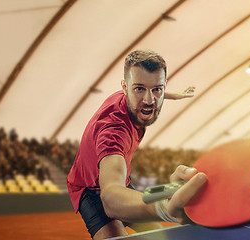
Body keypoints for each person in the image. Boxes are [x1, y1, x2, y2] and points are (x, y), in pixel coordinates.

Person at [67, 49, 207, 240]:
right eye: (139, 88)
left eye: (157, 89)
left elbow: (151, 89)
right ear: (125, 87)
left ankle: (167, 192)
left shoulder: (133, 96)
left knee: (159, 237)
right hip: (91, 189)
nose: (149, 100)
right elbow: (110, 198)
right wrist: (164, 209)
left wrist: (176, 95)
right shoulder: (113, 130)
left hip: (122, 185)